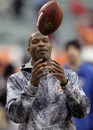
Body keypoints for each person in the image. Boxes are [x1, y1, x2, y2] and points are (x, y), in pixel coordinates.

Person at [5, 31, 90, 130]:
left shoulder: (69, 76)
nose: (41, 44)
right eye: (35, 42)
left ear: (51, 47)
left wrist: (66, 85)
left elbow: (82, 112)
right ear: (29, 50)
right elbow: (15, 117)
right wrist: (31, 87)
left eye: (45, 41)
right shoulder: (16, 79)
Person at [64, 40, 93, 130]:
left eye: (74, 49)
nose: (71, 52)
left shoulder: (90, 72)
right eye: (69, 49)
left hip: (85, 124)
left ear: (79, 51)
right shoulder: (61, 72)